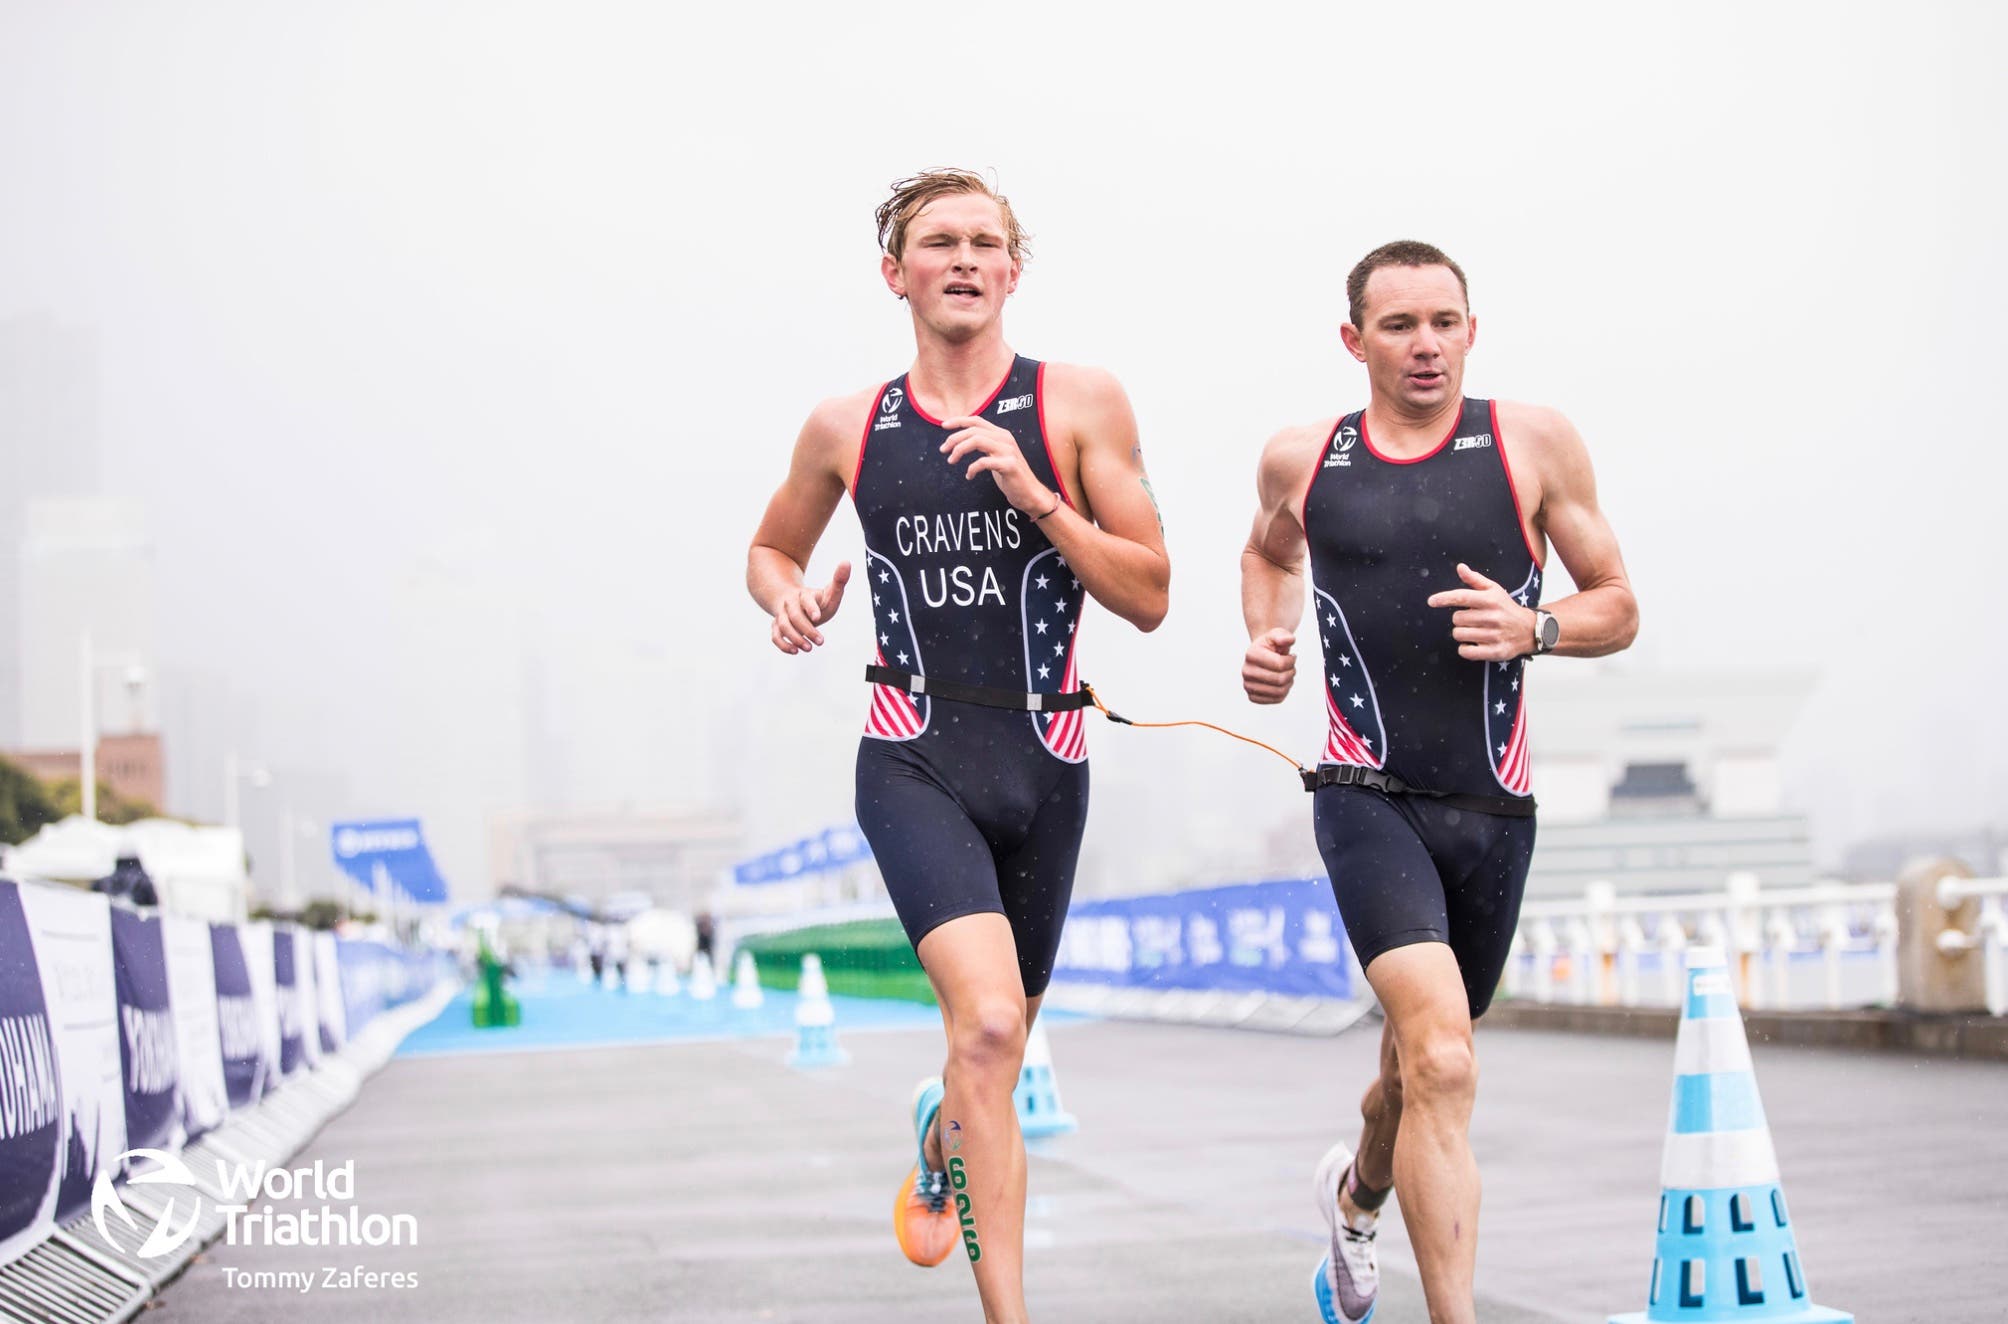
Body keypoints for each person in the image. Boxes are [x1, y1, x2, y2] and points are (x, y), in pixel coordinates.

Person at [747, 169, 1168, 1322]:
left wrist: (1039, 496)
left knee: (1000, 1042)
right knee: (985, 1024)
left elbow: (1150, 595)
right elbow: (769, 550)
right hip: (913, 755)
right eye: (941, 242)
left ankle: (944, 1127)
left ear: (1014, 270)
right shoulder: (850, 426)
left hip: (1046, 762)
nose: (966, 259)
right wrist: (787, 600)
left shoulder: (1080, 404)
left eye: (989, 241)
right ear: (898, 273)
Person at [1238, 240, 1639, 1324]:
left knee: (1418, 1072)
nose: (1425, 345)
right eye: (1399, 324)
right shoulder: (1303, 458)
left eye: (1444, 322)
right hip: (1364, 796)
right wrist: (1268, 641)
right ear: (1353, 339)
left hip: (1492, 810)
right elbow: (1267, 554)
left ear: (1471, 328)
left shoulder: (1529, 443)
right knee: (1446, 1055)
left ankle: (1356, 1194)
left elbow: (1616, 601)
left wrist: (1536, 626)